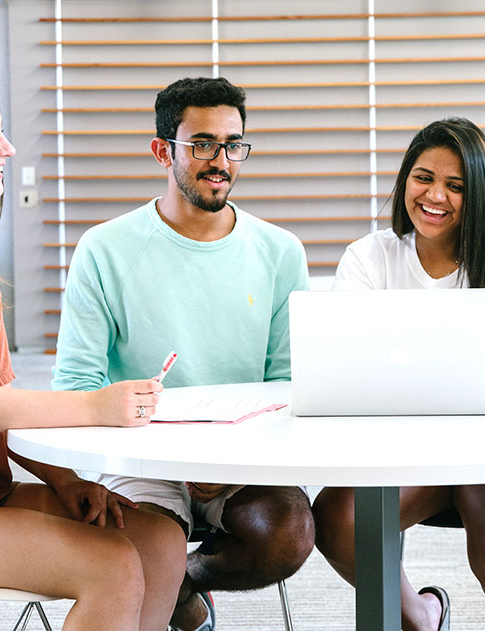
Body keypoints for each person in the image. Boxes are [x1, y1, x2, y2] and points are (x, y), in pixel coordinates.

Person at [0, 68, 185, 631]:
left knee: (159, 537)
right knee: (111, 566)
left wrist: (65, 480)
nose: (8, 148)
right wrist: (96, 407)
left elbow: (0, 402)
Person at [53, 75, 314, 631]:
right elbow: (77, 386)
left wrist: (234, 460)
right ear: (162, 151)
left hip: (241, 457)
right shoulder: (104, 249)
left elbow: (289, 384)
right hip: (142, 458)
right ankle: (171, 588)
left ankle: (186, 582)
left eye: (233, 145)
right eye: (201, 144)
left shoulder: (281, 252)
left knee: (290, 530)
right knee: (144, 564)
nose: (220, 160)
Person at [312, 117, 485, 631]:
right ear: (404, 180)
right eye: (423, 177)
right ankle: (421, 617)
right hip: (411, 448)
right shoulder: (370, 257)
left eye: (456, 185)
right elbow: (348, 357)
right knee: (338, 523)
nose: (435, 195)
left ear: (478, 193)